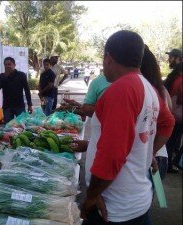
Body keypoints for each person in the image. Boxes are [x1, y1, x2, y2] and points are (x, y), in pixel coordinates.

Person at [71, 30, 174, 224]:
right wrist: (146, 152)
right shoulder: (147, 87)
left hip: (113, 209)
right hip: (137, 200)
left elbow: (112, 155)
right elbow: (167, 123)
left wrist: (91, 196)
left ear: (108, 58)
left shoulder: (121, 89)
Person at [140, 45, 173, 179]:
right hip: (160, 156)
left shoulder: (144, 90)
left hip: (148, 158)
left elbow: (169, 121)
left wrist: (149, 153)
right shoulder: (162, 90)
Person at [0, 57, 33, 123]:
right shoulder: (2, 76)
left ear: (14, 65)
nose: (7, 66)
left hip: (19, 106)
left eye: (9, 64)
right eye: (5, 65)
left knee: (22, 126)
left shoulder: (21, 75)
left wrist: (29, 105)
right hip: (7, 107)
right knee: (9, 128)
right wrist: (5, 76)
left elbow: (27, 90)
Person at [164, 48, 183, 173]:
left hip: (173, 113)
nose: (169, 59)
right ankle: (170, 164)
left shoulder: (176, 75)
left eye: (171, 57)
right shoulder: (175, 76)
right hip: (176, 115)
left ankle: (171, 162)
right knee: (171, 141)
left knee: (171, 141)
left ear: (178, 59)